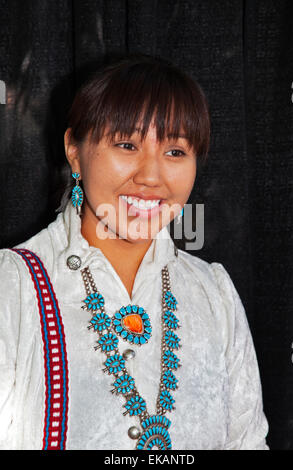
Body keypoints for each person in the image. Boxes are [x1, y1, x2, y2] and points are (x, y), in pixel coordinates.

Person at [0, 54, 269, 450]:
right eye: (127, 144)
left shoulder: (214, 294)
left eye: (175, 152)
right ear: (74, 150)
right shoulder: (14, 287)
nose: (150, 177)